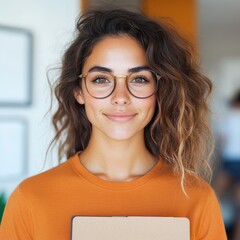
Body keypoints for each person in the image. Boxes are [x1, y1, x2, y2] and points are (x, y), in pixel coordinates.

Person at [0, 8, 227, 240]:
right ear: (79, 92)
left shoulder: (197, 198)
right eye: (101, 79)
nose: (120, 96)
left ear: (159, 91)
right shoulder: (30, 199)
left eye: (139, 79)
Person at [214, 90, 240, 240]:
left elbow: (221, 142)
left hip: (229, 160)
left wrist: (216, 164)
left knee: (213, 197)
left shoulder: (228, 115)